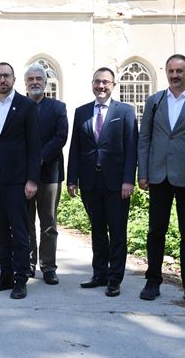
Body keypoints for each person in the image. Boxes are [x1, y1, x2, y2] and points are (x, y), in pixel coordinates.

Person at [137, 54, 185, 306]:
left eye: (179, 71)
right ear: (166, 73)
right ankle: (152, 280)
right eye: (171, 71)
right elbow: (145, 138)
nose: (175, 75)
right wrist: (143, 173)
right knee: (155, 231)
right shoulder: (155, 102)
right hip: (159, 176)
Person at [66, 67, 138, 297]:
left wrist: (129, 180)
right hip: (90, 181)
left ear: (113, 85)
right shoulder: (81, 112)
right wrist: (72, 178)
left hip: (117, 184)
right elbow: (75, 147)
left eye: (106, 82)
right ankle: (99, 274)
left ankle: (114, 279)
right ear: (92, 84)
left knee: (117, 232)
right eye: (97, 81)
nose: (101, 86)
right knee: (97, 230)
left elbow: (132, 148)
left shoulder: (125, 111)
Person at [0, 62, 41, 299]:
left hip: (18, 180)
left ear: (14, 80)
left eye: (6, 76)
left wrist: (32, 180)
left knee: (20, 231)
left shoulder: (27, 106)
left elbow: (34, 146)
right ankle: (5, 275)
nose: (2, 80)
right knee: (0, 231)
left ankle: (20, 279)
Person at [23, 63, 68, 285]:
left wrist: (39, 158)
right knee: (26, 221)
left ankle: (48, 266)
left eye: (38, 79)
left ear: (45, 82)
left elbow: (61, 137)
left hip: (50, 173)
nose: (35, 82)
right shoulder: (18, 107)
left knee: (48, 222)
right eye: (31, 79)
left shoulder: (58, 107)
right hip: (23, 174)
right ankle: (28, 263)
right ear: (25, 83)